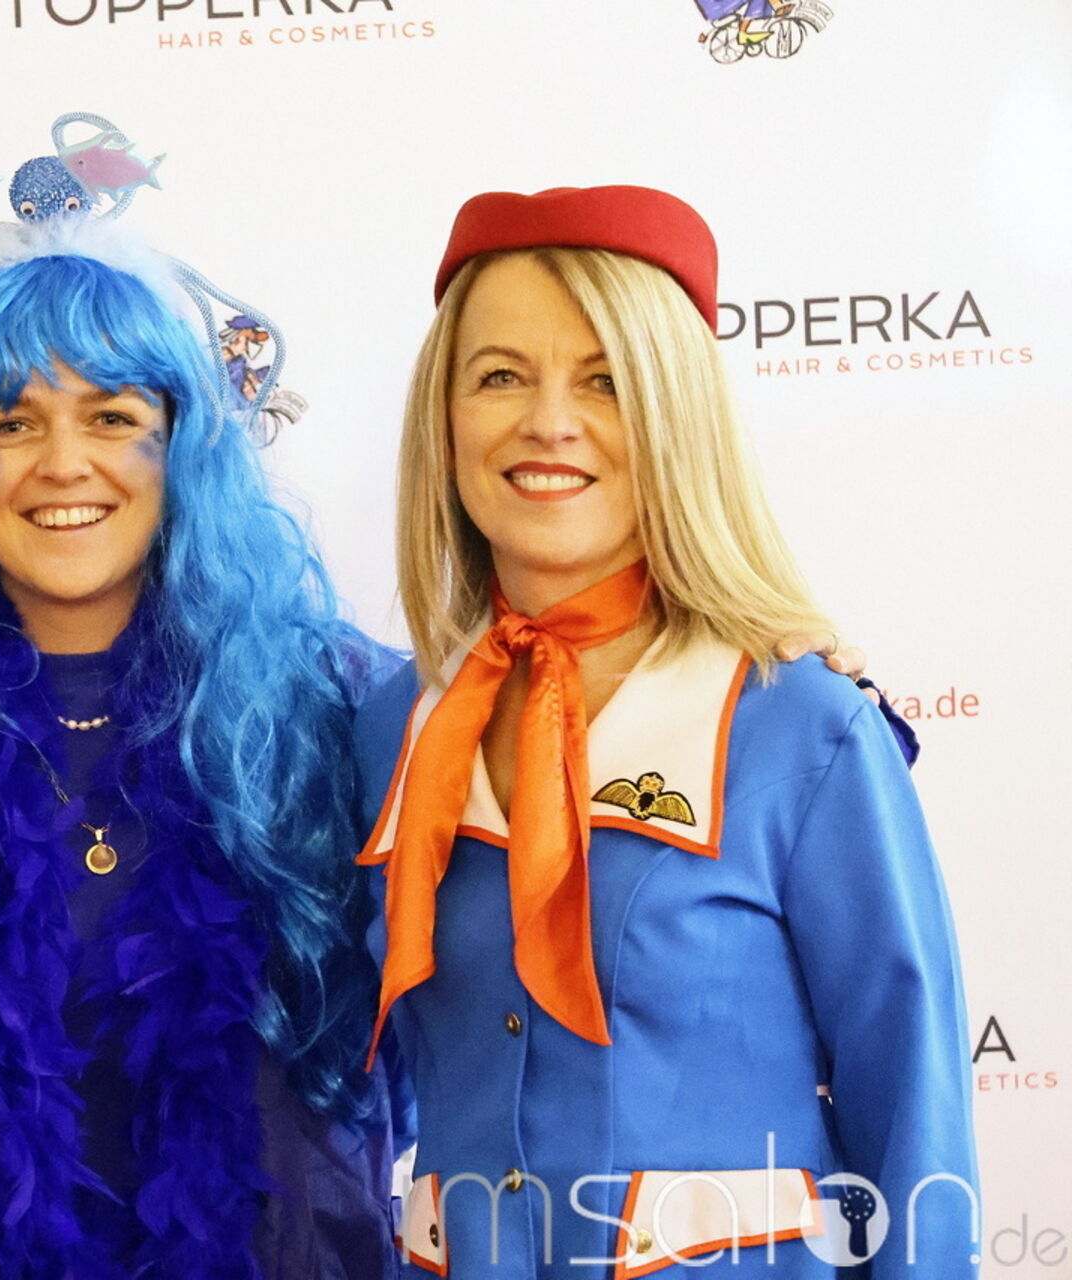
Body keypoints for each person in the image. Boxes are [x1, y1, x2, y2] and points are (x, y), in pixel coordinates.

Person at [0, 120, 404, 1279]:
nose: (63, 462)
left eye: (113, 417)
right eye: (10, 423)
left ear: (182, 445)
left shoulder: (334, 705)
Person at [356, 186, 977, 1278]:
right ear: (442, 418)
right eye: (500, 375)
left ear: (675, 414)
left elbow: (913, 1109)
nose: (550, 422)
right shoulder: (386, 724)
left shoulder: (803, 723)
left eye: (606, 380)